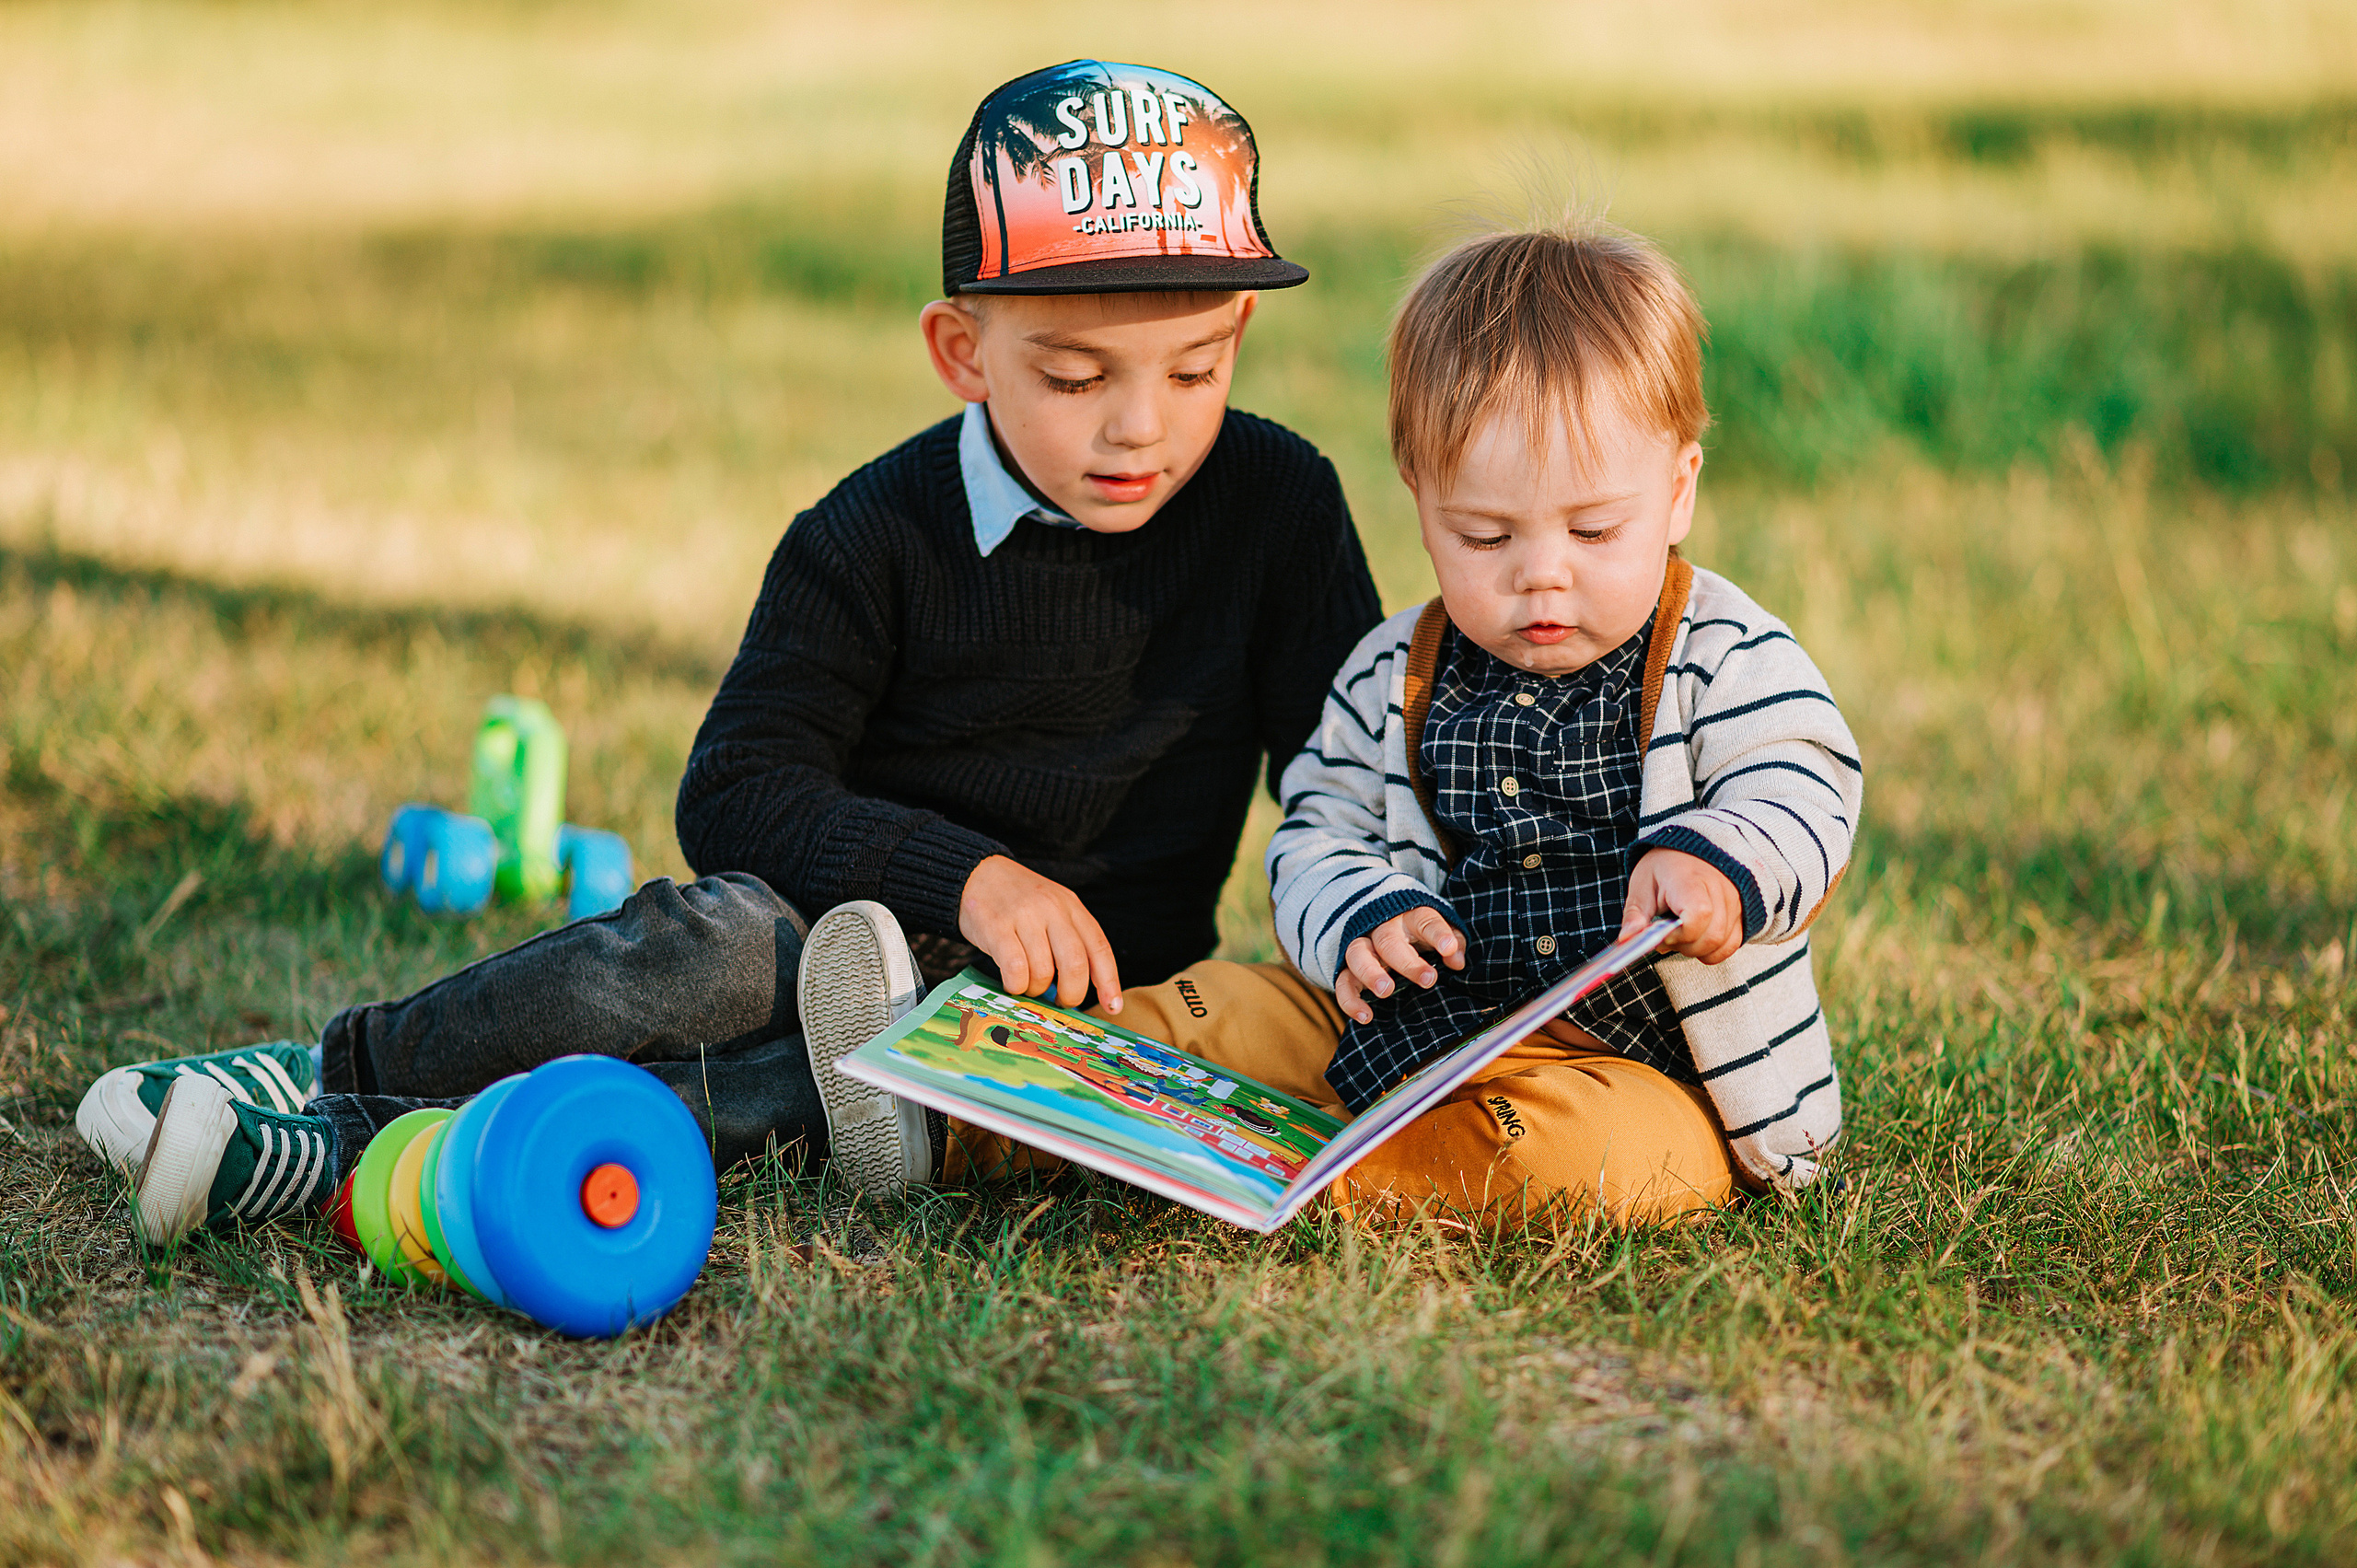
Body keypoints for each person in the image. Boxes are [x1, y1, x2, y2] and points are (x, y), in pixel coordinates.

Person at [87, 59, 1383, 1246]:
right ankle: (337, 1069)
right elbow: (736, 788)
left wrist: (1393, 917)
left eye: (1194, 371)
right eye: (1077, 378)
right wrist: (967, 876)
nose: (1140, 426)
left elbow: (1354, 769)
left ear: (1238, 337)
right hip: (822, 932)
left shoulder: (1278, 506)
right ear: (963, 353)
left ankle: (347, 1156)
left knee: (812, 1095)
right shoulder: (870, 535)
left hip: (1067, 1016)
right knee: (701, 952)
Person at [795, 214, 1863, 1228]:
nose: (1541, 575)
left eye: (1593, 531)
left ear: (1677, 490)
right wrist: (1362, 913)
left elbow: (1802, 775)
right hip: (1402, 1022)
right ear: (1420, 500)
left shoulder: (1721, 652)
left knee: (1597, 1156)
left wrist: (1721, 860)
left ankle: (1328, 1173)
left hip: (1636, 1066)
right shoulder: (1391, 672)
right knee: (1212, 1010)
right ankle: (957, 1110)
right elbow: (1316, 831)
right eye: (1484, 536)